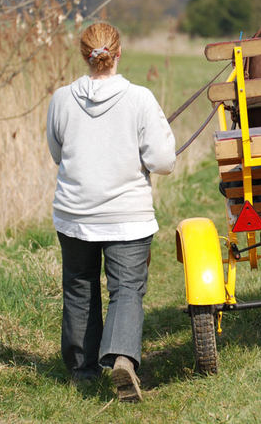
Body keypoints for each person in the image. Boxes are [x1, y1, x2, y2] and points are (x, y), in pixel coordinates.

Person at [46, 22, 175, 402]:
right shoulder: (140, 99)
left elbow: (58, 154)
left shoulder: (61, 99)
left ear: (84, 55)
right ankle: (122, 358)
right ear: (119, 54)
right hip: (127, 217)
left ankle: (83, 372)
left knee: (79, 286)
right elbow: (163, 161)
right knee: (127, 289)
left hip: (74, 214)